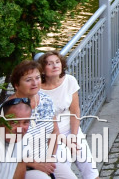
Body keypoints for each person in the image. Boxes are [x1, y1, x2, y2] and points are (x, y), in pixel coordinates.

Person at [7, 61, 77, 179]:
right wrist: (35, 164)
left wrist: (49, 158)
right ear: (16, 85)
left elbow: (55, 132)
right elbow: (5, 148)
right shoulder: (9, 109)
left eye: (38, 78)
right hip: (21, 166)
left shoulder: (46, 100)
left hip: (46, 158)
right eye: (28, 80)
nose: (35, 83)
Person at [38, 50, 99, 179]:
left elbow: (75, 111)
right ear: (42, 70)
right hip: (51, 136)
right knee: (64, 165)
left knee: (89, 166)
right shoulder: (38, 90)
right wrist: (65, 141)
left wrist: (74, 135)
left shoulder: (69, 81)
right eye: (49, 64)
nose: (55, 66)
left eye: (57, 62)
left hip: (71, 130)